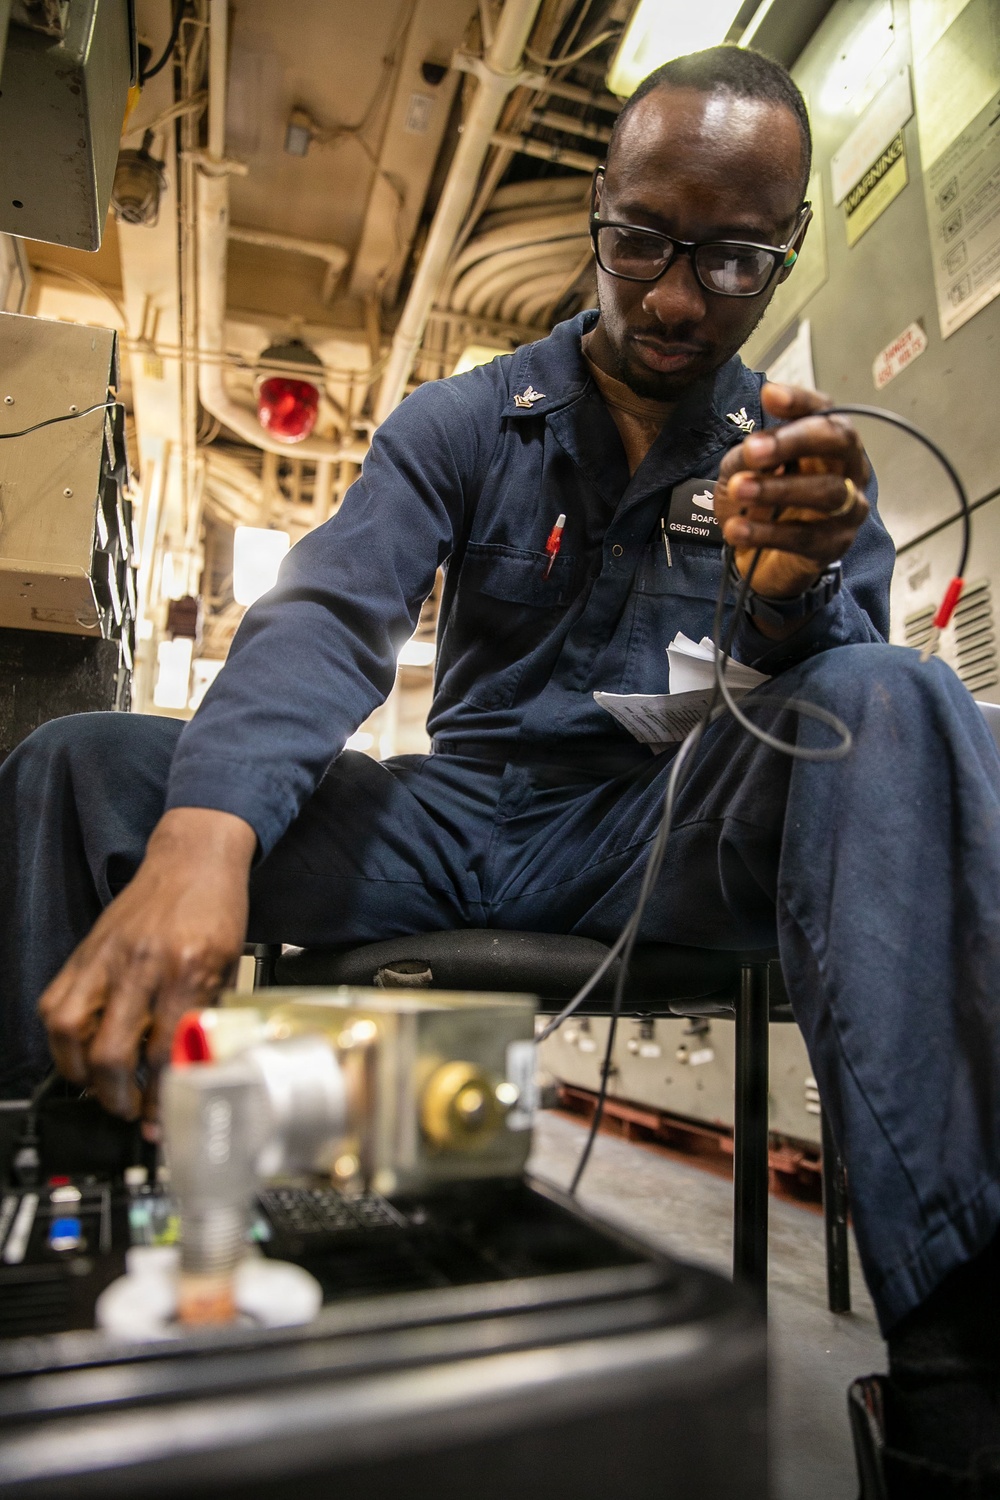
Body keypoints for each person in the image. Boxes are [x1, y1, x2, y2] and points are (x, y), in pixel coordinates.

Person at [1, 44, 998, 1495]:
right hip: (450, 815)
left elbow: (837, 724)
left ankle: (961, 1379)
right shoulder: (467, 421)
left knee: (897, 692)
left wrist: (793, 601)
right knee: (80, 766)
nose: (676, 297)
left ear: (784, 254)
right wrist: (205, 834)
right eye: (644, 239)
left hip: (659, 832)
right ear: (597, 208)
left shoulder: (795, 465)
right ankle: (47, 1221)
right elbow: (331, 614)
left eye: (732, 261)